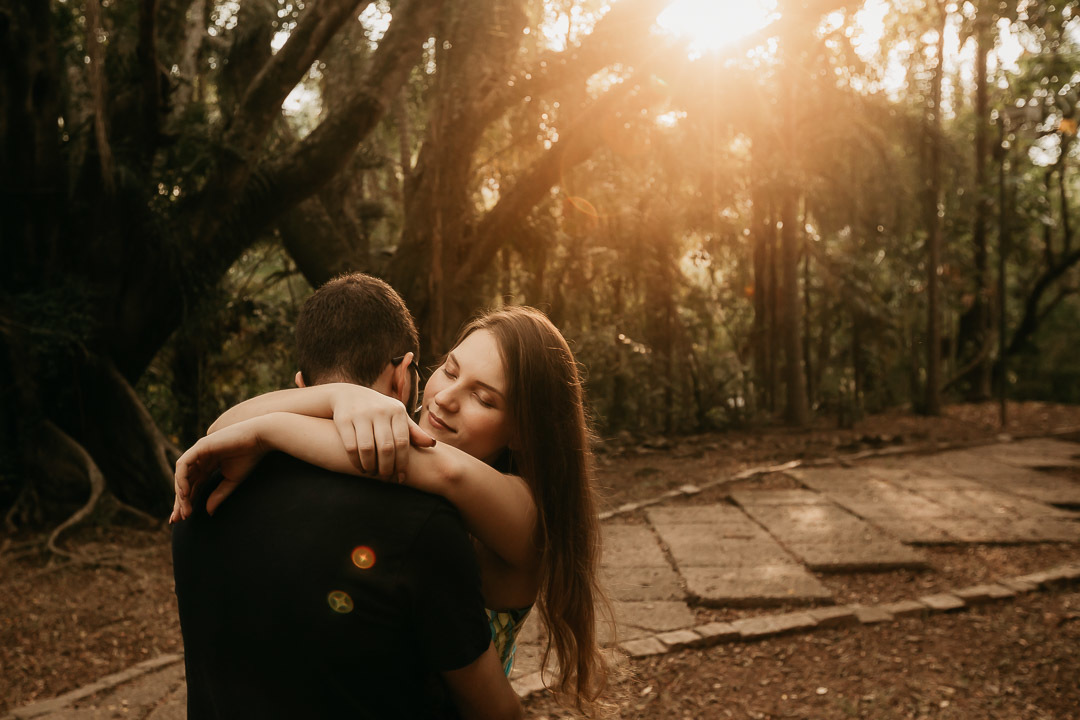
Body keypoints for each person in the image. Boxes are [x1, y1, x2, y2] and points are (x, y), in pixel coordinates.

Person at [174, 305, 609, 713]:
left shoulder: (526, 513)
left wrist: (270, 430)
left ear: (521, 432)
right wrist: (339, 396)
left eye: (484, 398)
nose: (445, 398)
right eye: (450, 370)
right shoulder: (418, 485)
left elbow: (437, 469)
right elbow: (221, 431)